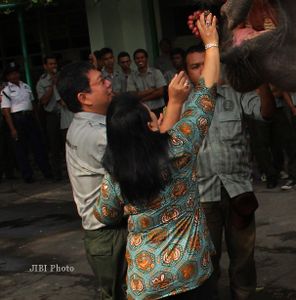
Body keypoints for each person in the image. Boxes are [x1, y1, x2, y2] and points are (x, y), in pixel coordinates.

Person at [94, 12, 220, 300]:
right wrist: (212, 42)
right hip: (192, 273)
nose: (159, 115)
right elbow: (207, 91)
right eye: (154, 115)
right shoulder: (179, 147)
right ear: (151, 126)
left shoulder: (116, 173)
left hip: (145, 282)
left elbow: (103, 213)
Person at [184, 45, 275, 299]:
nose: (202, 70)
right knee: (206, 259)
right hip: (202, 196)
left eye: (206, 63)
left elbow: (266, 113)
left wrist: (262, 81)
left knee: (244, 256)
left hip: (238, 191)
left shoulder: (235, 94)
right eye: (195, 66)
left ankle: (243, 294)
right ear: (187, 72)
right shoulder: (182, 104)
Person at [57, 61, 127, 299]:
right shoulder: (98, 135)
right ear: (84, 97)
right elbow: (142, 170)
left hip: (102, 235)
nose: (109, 83)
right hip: (111, 234)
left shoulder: (82, 125)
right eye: (101, 81)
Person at [1, 62, 52, 183]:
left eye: (16, 73)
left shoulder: (26, 86)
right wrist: (12, 129)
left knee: (38, 145)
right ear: (7, 77)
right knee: (21, 149)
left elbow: (32, 104)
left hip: (29, 117)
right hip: (17, 119)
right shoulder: (6, 90)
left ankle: (46, 171)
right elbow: (6, 111)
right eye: (11, 74)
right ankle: (27, 175)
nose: (15, 76)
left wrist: (37, 120)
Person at [37, 54, 63, 180]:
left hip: (64, 114)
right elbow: (43, 101)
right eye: (51, 64)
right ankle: (57, 172)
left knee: (67, 144)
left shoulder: (62, 77)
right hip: (52, 115)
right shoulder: (42, 82)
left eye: (55, 64)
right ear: (45, 66)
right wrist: (52, 86)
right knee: (54, 145)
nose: (54, 66)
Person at [127, 48, 167, 117]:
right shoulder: (131, 76)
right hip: (142, 111)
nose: (140, 60)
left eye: (142, 57)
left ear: (146, 59)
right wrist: (151, 90)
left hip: (158, 109)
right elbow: (133, 95)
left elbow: (160, 92)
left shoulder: (156, 72)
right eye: (137, 58)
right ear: (134, 61)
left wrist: (143, 99)